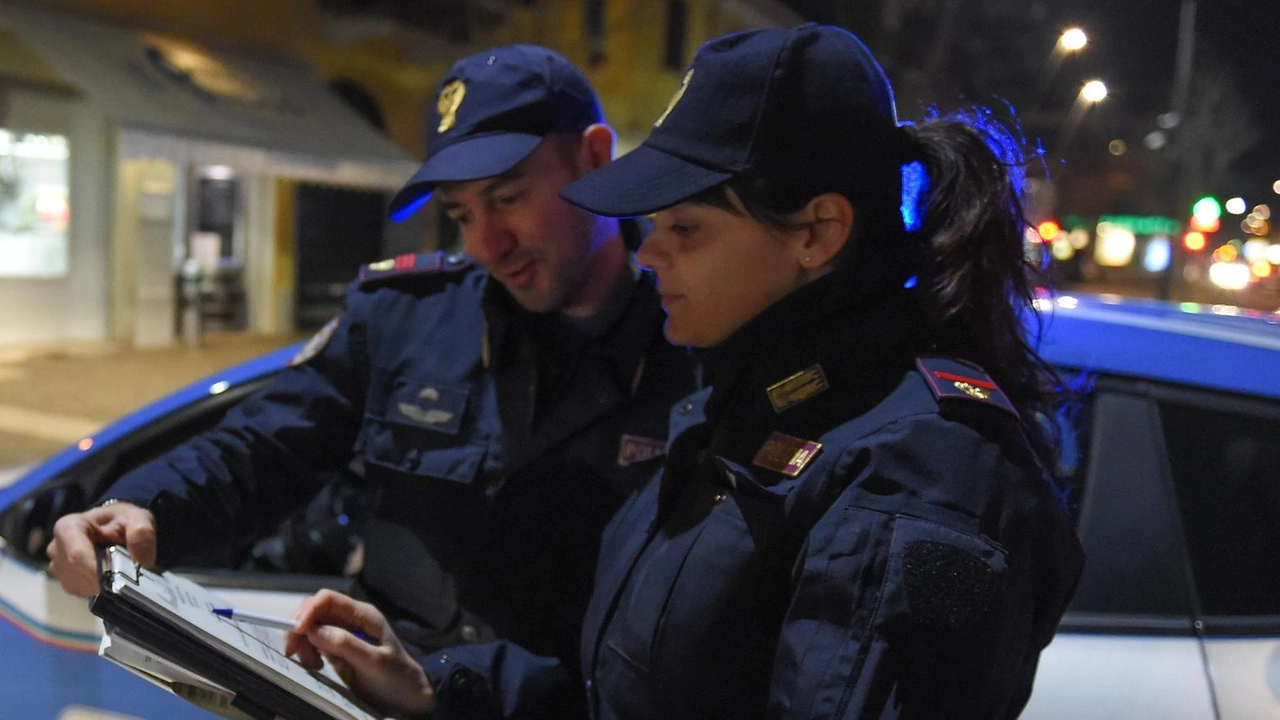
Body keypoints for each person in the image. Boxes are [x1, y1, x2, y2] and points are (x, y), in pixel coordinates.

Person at [284, 23, 1085, 720]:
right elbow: (630, 694)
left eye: (686, 226)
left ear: (817, 232)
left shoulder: (919, 475)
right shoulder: (747, 403)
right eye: (653, 222)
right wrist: (436, 684)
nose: (650, 248)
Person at [46, 43, 699, 712]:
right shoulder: (407, 319)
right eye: (463, 214)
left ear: (594, 156)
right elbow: (261, 448)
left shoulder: (703, 340)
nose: (485, 245)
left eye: (509, 198)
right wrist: (144, 508)